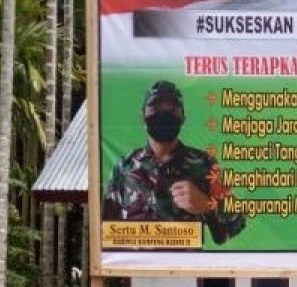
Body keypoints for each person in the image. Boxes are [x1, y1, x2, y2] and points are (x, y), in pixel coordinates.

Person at [104, 80, 245, 245]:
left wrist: (207, 206)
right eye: (156, 109)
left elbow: (237, 222)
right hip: (137, 269)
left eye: (172, 110)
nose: (164, 115)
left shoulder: (205, 164)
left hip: (185, 268)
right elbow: (104, 230)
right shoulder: (124, 167)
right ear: (143, 118)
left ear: (183, 117)